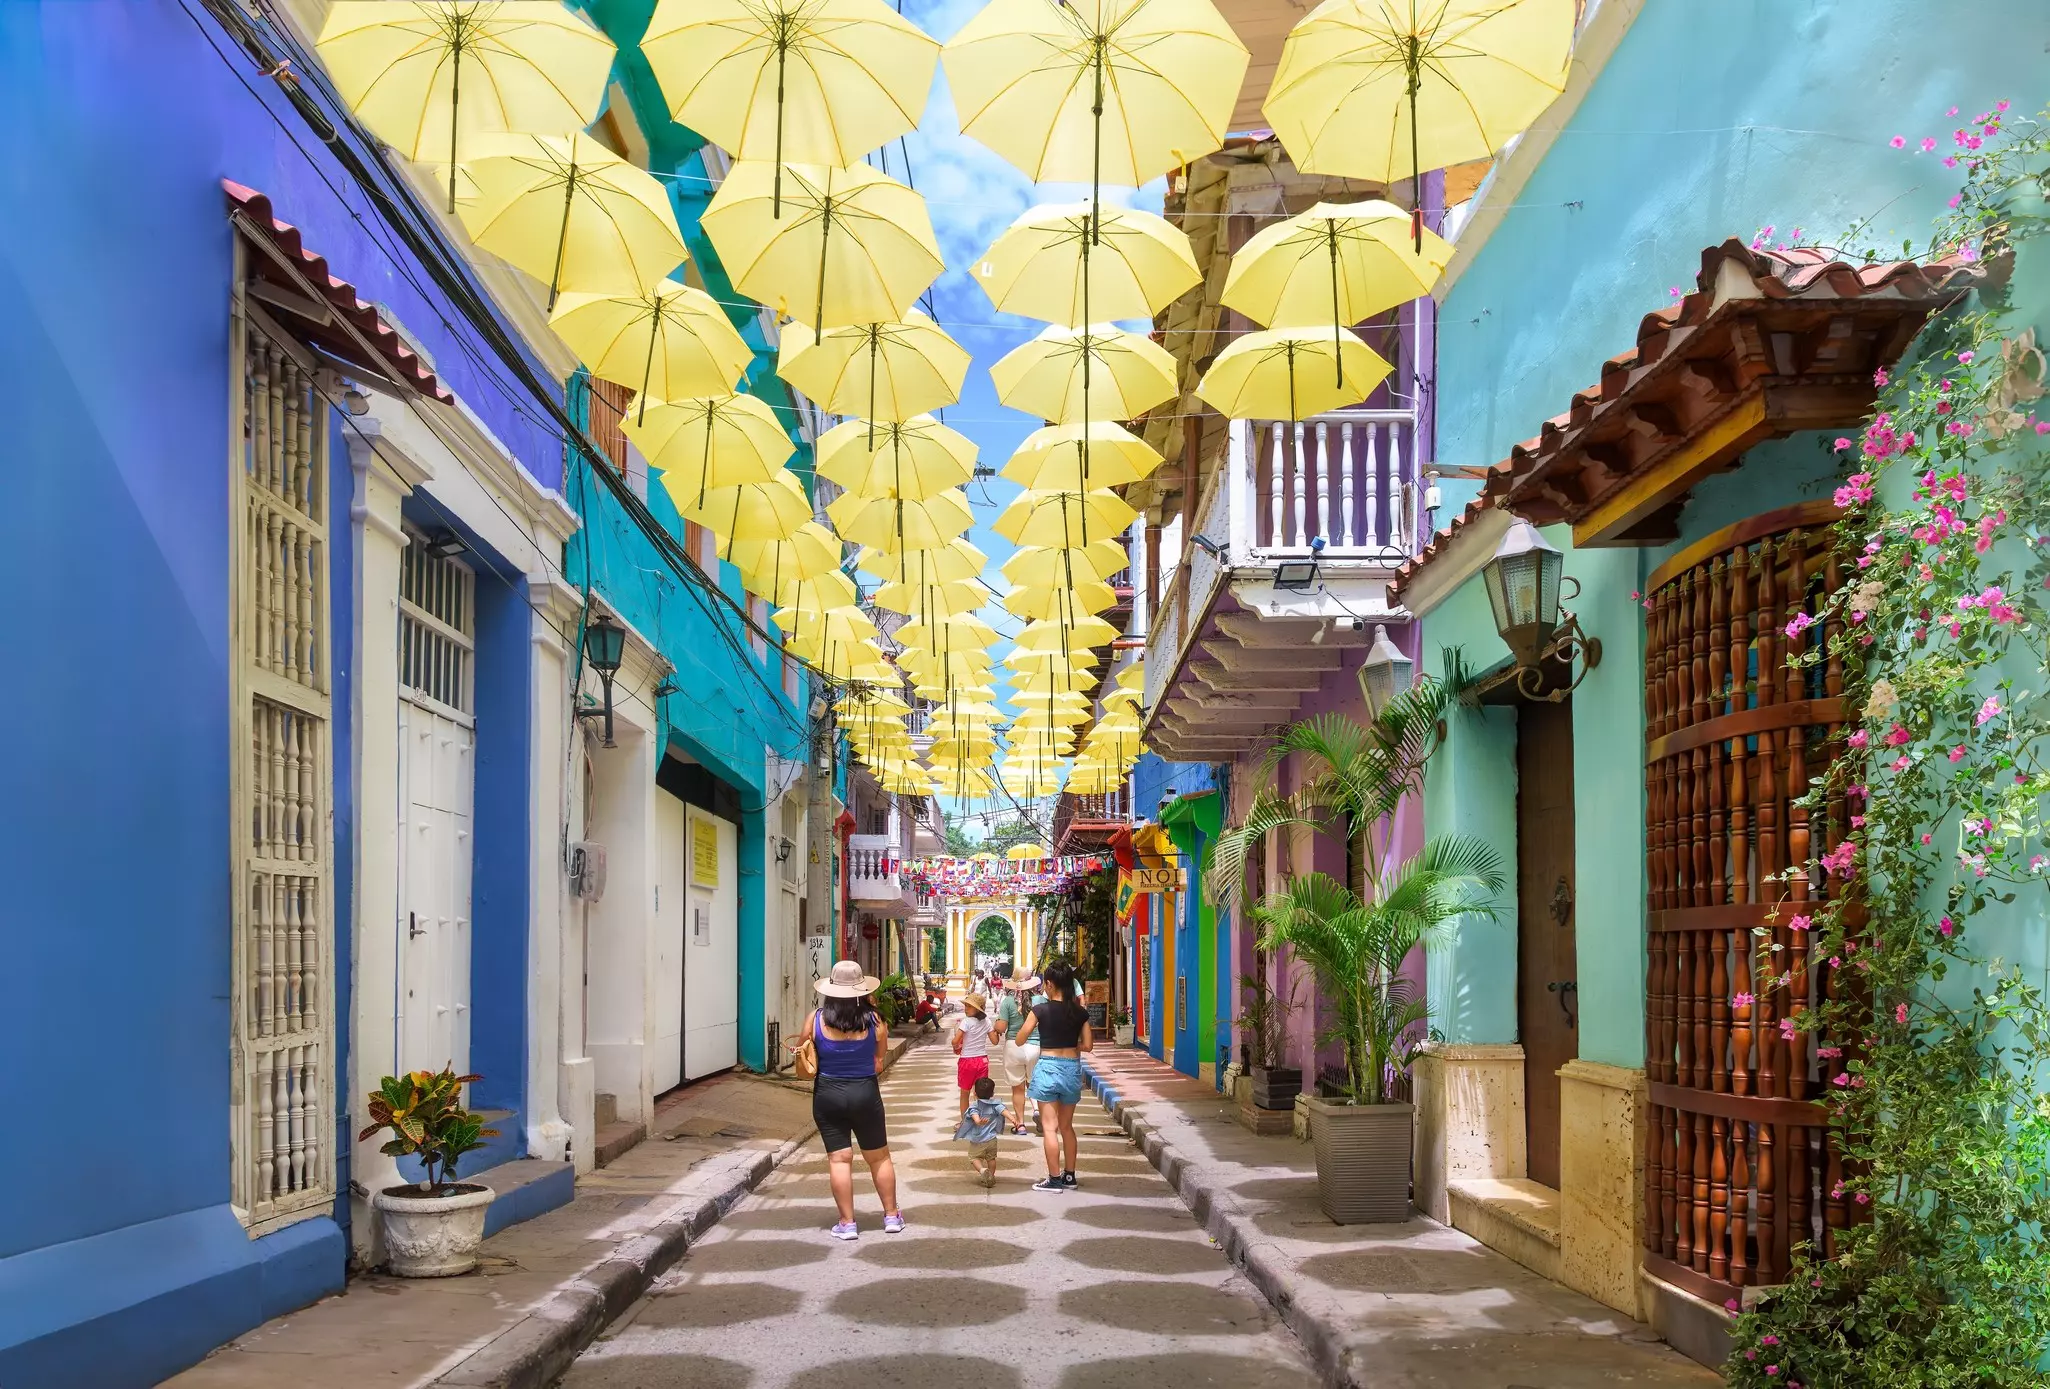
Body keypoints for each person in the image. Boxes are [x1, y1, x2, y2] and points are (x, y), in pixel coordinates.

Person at [795, 960, 905, 1240]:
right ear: (860, 990)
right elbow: (879, 1061)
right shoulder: (875, 1020)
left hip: (828, 1093)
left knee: (839, 1159)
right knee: (879, 1157)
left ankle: (848, 1223)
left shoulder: (815, 1018)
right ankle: (891, 1216)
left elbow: (805, 1053)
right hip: (865, 1092)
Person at [1014, 959, 1092, 1193]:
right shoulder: (1080, 1013)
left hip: (1047, 1066)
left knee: (1050, 1127)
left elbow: (1019, 1039)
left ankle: (1054, 1179)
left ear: (1048, 984)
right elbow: (1088, 1045)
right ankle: (1070, 1177)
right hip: (1071, 1068)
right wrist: (1073, 1047)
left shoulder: (1039, 1010)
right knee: (1067, 1127)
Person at [993, 972, 1043, 1134]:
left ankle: (1020, 1124)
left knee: (1018, 1088)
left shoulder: (1008, 1001)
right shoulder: (1041, 1001)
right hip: (1036, 1047)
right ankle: (1037, 1110)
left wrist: (996, 1025)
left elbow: (1001, 1028)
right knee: (1035, 1083)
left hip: (1013, 1047)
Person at [954, 1075, 1007, 1187]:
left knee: (974, 1158)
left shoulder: (974, 1106)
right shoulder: (995, 1105)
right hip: (992, 1139)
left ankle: (983, 1171)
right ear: (992, 1094)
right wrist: (1013, 1119)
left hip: (978, 1140)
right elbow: (1003, 1110)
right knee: (991, 1159)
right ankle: (991, 1176)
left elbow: (974, 1115)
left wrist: (978, 1121)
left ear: (975, 1094)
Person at [952, 993, 993, 1119]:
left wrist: (955, 1046)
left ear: (977, 1008)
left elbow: (955, 1041)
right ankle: (981, 1120)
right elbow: (995, 1041)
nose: (966, 1008)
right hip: (982, 1061)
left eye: (969, 1006)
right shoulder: (987, 1021)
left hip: (967, 1061)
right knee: (981, 1093)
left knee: (965, 1093)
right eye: (966, 1005)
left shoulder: (966, 1022)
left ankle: (965, 1121)